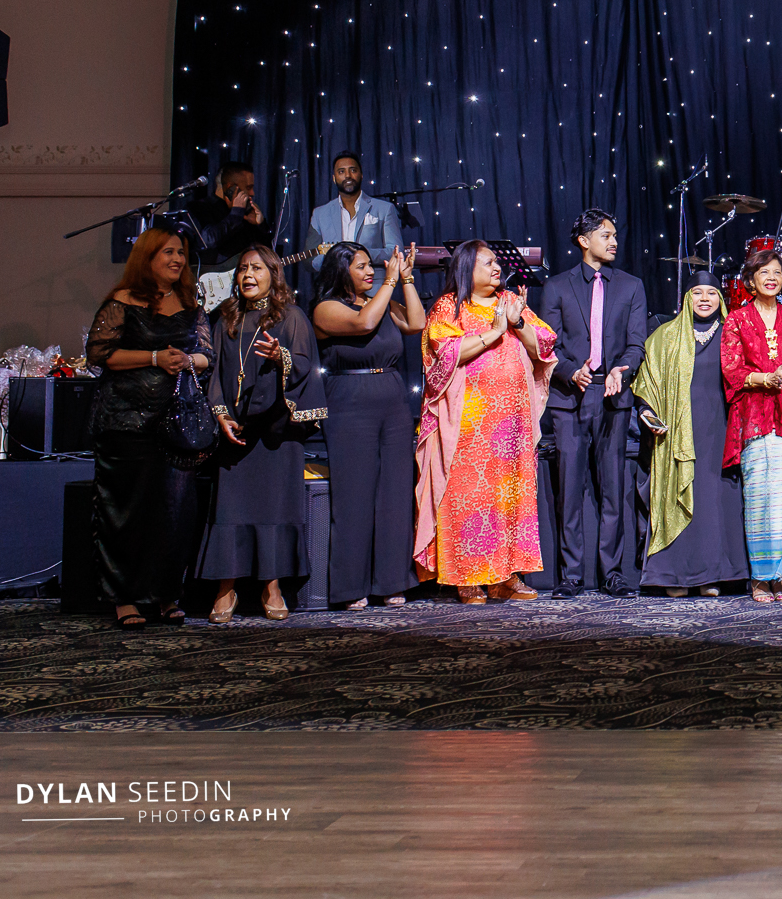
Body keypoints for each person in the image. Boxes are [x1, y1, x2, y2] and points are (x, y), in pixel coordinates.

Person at [414, 240, 558, 603]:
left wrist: (517, 321)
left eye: (496, 262)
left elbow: (543, 345)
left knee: (510, 499)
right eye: (488, 263)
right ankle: (466, 576)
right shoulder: (450, 307)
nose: (497, 268)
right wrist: (494, 332)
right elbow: (445, 354)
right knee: (469, 497)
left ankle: (506, 577)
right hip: (468, 423)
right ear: (466, 269)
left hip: (512, 426)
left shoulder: (509, 300)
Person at [85, 227, 213, 628]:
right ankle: (125, 599)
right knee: (126, 513)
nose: (177, 259)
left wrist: (188, 361)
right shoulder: (122, 301)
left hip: (176, 424)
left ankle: (166, 595)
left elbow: (207, 355)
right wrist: (154, 357)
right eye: (168, 252)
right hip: (126, 422)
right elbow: (100, 354)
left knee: (174, 514)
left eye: (181, 253)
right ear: (148, 257)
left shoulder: (191, 303)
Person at [199, 246, 327, 623]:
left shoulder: (291, 317)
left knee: (273, 510)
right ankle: (225, 588)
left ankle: (271, 587)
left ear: (273, 273)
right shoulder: (227, 317)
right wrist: (221, 413)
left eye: (256, 267)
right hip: (236, 432)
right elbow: (216, 372)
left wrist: (280, 356)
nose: (248, 274)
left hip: (275, 433)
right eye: (242, 268)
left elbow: (304, 365)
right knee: (229, 511)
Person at [540, 209, 648, 599]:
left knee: (613, 489)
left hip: (612, 395)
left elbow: (637, 343)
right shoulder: (557, 286)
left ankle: (612, 573)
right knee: (569, 490)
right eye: (605, 235)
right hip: (570, 398)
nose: (614, 241)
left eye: (615, 235)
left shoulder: (631, 286)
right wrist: (571, 371)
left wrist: (622, 369)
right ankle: (570, 575)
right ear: (584, 241)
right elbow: (547, 344)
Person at [312, 240, 425, 609]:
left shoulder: (382, 301)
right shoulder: (327, 308)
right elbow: (364, 324)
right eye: (360, 266)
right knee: (354, 495)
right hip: (350, 401)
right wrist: (390, 282)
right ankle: (350, 587)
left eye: (370, 265)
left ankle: (392, 581)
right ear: (340, 270)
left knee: (394, 493)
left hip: (392, 400)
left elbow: (417, 323)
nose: (370, 272)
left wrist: (405, 278)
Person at [634, 275, 749, 596]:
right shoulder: (665, 336)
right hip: (677, 432)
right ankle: (673, 576)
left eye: (712, 293)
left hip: (720, 430)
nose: (704, 299)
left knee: (714, 501)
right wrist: (647, 412)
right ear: (686, 298)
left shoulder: (732, 334)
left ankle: (710, 576)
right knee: (678, 496)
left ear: (720, 299)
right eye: (697, 292)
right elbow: (647, 383)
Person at [721, 252, 782, 602]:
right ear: (751, 280)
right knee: (759, 499)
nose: (771, 278)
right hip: (754, 417)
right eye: (764, 272)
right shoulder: (737, 319)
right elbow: (731, 368)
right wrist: (764, 379)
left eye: (777, 272)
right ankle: (760, 578)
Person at [182, 161, 269, 306]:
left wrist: (260, 225)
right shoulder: (198, 208)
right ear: (230, 188)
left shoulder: (247, 213)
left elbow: (265, 254)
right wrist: (235, 214)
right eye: (248, 188)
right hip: (210, 293)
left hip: (242, 294)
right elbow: (207, 241)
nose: (252, 193)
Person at [305, 150, 403, 271]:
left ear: (361, 175)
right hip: (335, 282)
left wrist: (358, 255)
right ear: (334, 178)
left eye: (353, 170)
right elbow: (310, 260)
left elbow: (396, 252)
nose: (348, 176)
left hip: (373, 281)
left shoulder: (384, 209)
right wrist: (334, 260)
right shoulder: (320, 214)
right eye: (341, 171)